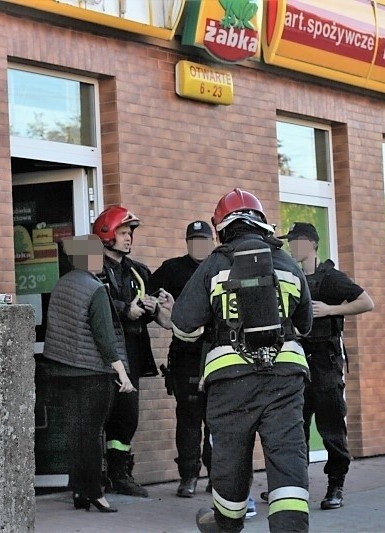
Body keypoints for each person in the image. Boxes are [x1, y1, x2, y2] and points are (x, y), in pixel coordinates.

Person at [171, 188, 314, 533]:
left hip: (231, 379)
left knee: (231, 456)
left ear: (220, 227)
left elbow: (183, 327)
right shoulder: (288, 264)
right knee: (287, 455)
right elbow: (305, 325)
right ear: (262, 222)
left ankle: (227, 524)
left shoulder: (215, 263)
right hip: (284, 378)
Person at [272, 222, 374, 511]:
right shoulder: (289, 276)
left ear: (313, 244)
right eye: (291, 242)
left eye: (299, 241)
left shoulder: (330, 277)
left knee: (331, 427)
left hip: (325, 364)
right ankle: (293, 486)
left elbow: (367, 302)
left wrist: (331, 309)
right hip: (295, 361)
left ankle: (335, 486)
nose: (294, 246)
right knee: (293, 429)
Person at [41, 235, 135, 514]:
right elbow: (105, 338)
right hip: (91, 374)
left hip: (60, 371)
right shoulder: (95, 289)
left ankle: (79, 490)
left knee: (74, 433)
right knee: (92, 434)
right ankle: (95, 492)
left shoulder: (62, 285)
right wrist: (122, 374)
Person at [93, 206, 173, 498]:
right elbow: (87, 303)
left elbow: (158, 314)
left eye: (130, 234)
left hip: (133, 352)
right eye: (124, 232)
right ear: (107, 233)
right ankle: (93, 478)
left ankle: (119, 474)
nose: (129, 239)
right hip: (102, 353)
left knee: (127, 417)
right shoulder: (90, 265)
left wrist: (154, 306)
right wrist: (125, 309)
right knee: (99, 414)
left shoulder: (138, 271)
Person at [149, 220, 216, 498]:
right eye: (193, 240)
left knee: (217, 421)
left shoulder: (221, 267)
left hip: (216, 352)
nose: (198, 245)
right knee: (188, 420)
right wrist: (162, 314)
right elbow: (149, 299)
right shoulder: (172, 269)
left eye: (203, 240)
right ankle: (188, 477)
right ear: (187, 242)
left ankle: (218, 476)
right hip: (186, 357)